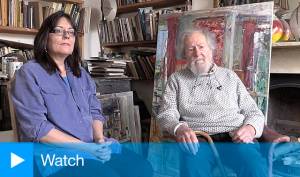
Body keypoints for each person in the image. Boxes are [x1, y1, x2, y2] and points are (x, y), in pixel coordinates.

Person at [12, 11, 152, 177]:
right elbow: (38, 129)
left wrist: (99, 140)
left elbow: (95, 112)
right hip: (55, 154)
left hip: (92, 144)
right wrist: (87, 148)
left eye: (71, 32)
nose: (67, 36)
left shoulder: (81, 74)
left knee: (142, 168)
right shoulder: (29, 73)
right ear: (45, 38)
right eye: (59, 31)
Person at [157, 28, 269, 177]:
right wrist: (178, 128)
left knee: (255, 168)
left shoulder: (230, 76)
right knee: (193, 169)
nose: (197, 53)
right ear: (184, 54)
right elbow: (166, 113)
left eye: (201, 47)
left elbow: (253, 112)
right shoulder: (176, 79)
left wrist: (250, 128)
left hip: (235, 136)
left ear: (211, 49)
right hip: (198, 139)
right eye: (191, 49)